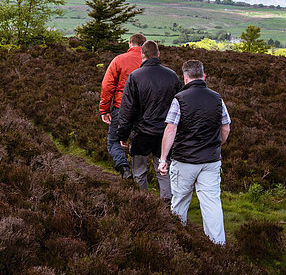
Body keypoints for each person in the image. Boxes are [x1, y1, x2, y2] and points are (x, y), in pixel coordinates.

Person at [158, 60, 231, 245]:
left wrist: (163, 158)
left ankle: (177, 243)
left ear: (185, 77)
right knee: (212, 203)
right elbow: (226, 128)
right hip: (211, 161)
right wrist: (215, 146)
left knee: (180, 202)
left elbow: (170, 129)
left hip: (184, 161)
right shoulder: (217, 98)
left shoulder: (180, 99)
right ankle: (217, 247)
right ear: (203, 76)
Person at [117, 41, 182, 201]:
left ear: (142, 55)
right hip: (165, 134)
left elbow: (127, 110)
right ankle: (168, 206)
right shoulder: (172, 76)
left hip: (141, 134)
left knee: (139, 171)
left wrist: (123, 134)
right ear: (158, 54)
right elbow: (181, 106)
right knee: (164, 170)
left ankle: (143, 204)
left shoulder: (135, 77)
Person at [99, 33, 147, 179]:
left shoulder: (119, 60)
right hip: (145, 111)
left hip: (121, 108)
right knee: (140, 143)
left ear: (130, 43)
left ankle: (124, 168)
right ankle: (141, 177)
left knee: (114, 141)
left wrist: (104, 109)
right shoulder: (150, 62)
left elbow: (107, 86)